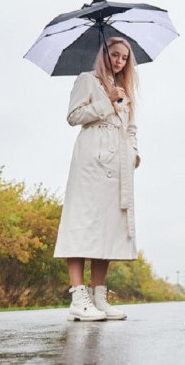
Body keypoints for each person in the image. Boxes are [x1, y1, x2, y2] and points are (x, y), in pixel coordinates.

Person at [53, 37, 141, 322]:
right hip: (91, 161)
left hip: (118, 166)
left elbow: (131, 128)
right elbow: (73, 115)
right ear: (104, 54)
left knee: (108, 227)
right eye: (114, 55)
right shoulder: (86, 80)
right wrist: (107, 103)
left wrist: (133, 155)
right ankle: (78, 297)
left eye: (124, 58)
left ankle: (98, 296)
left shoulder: (125, 90)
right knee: (83, 223)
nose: (119, 61)